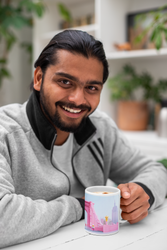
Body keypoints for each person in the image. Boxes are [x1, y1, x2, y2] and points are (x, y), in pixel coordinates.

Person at [0, 30, 166, 248]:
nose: (78, 99)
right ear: (39, 78)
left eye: (91, 88)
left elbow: (157, 171)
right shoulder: (5, 131)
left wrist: (143, 192)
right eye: (65, 82)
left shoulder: (101, 128)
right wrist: (82, 206)